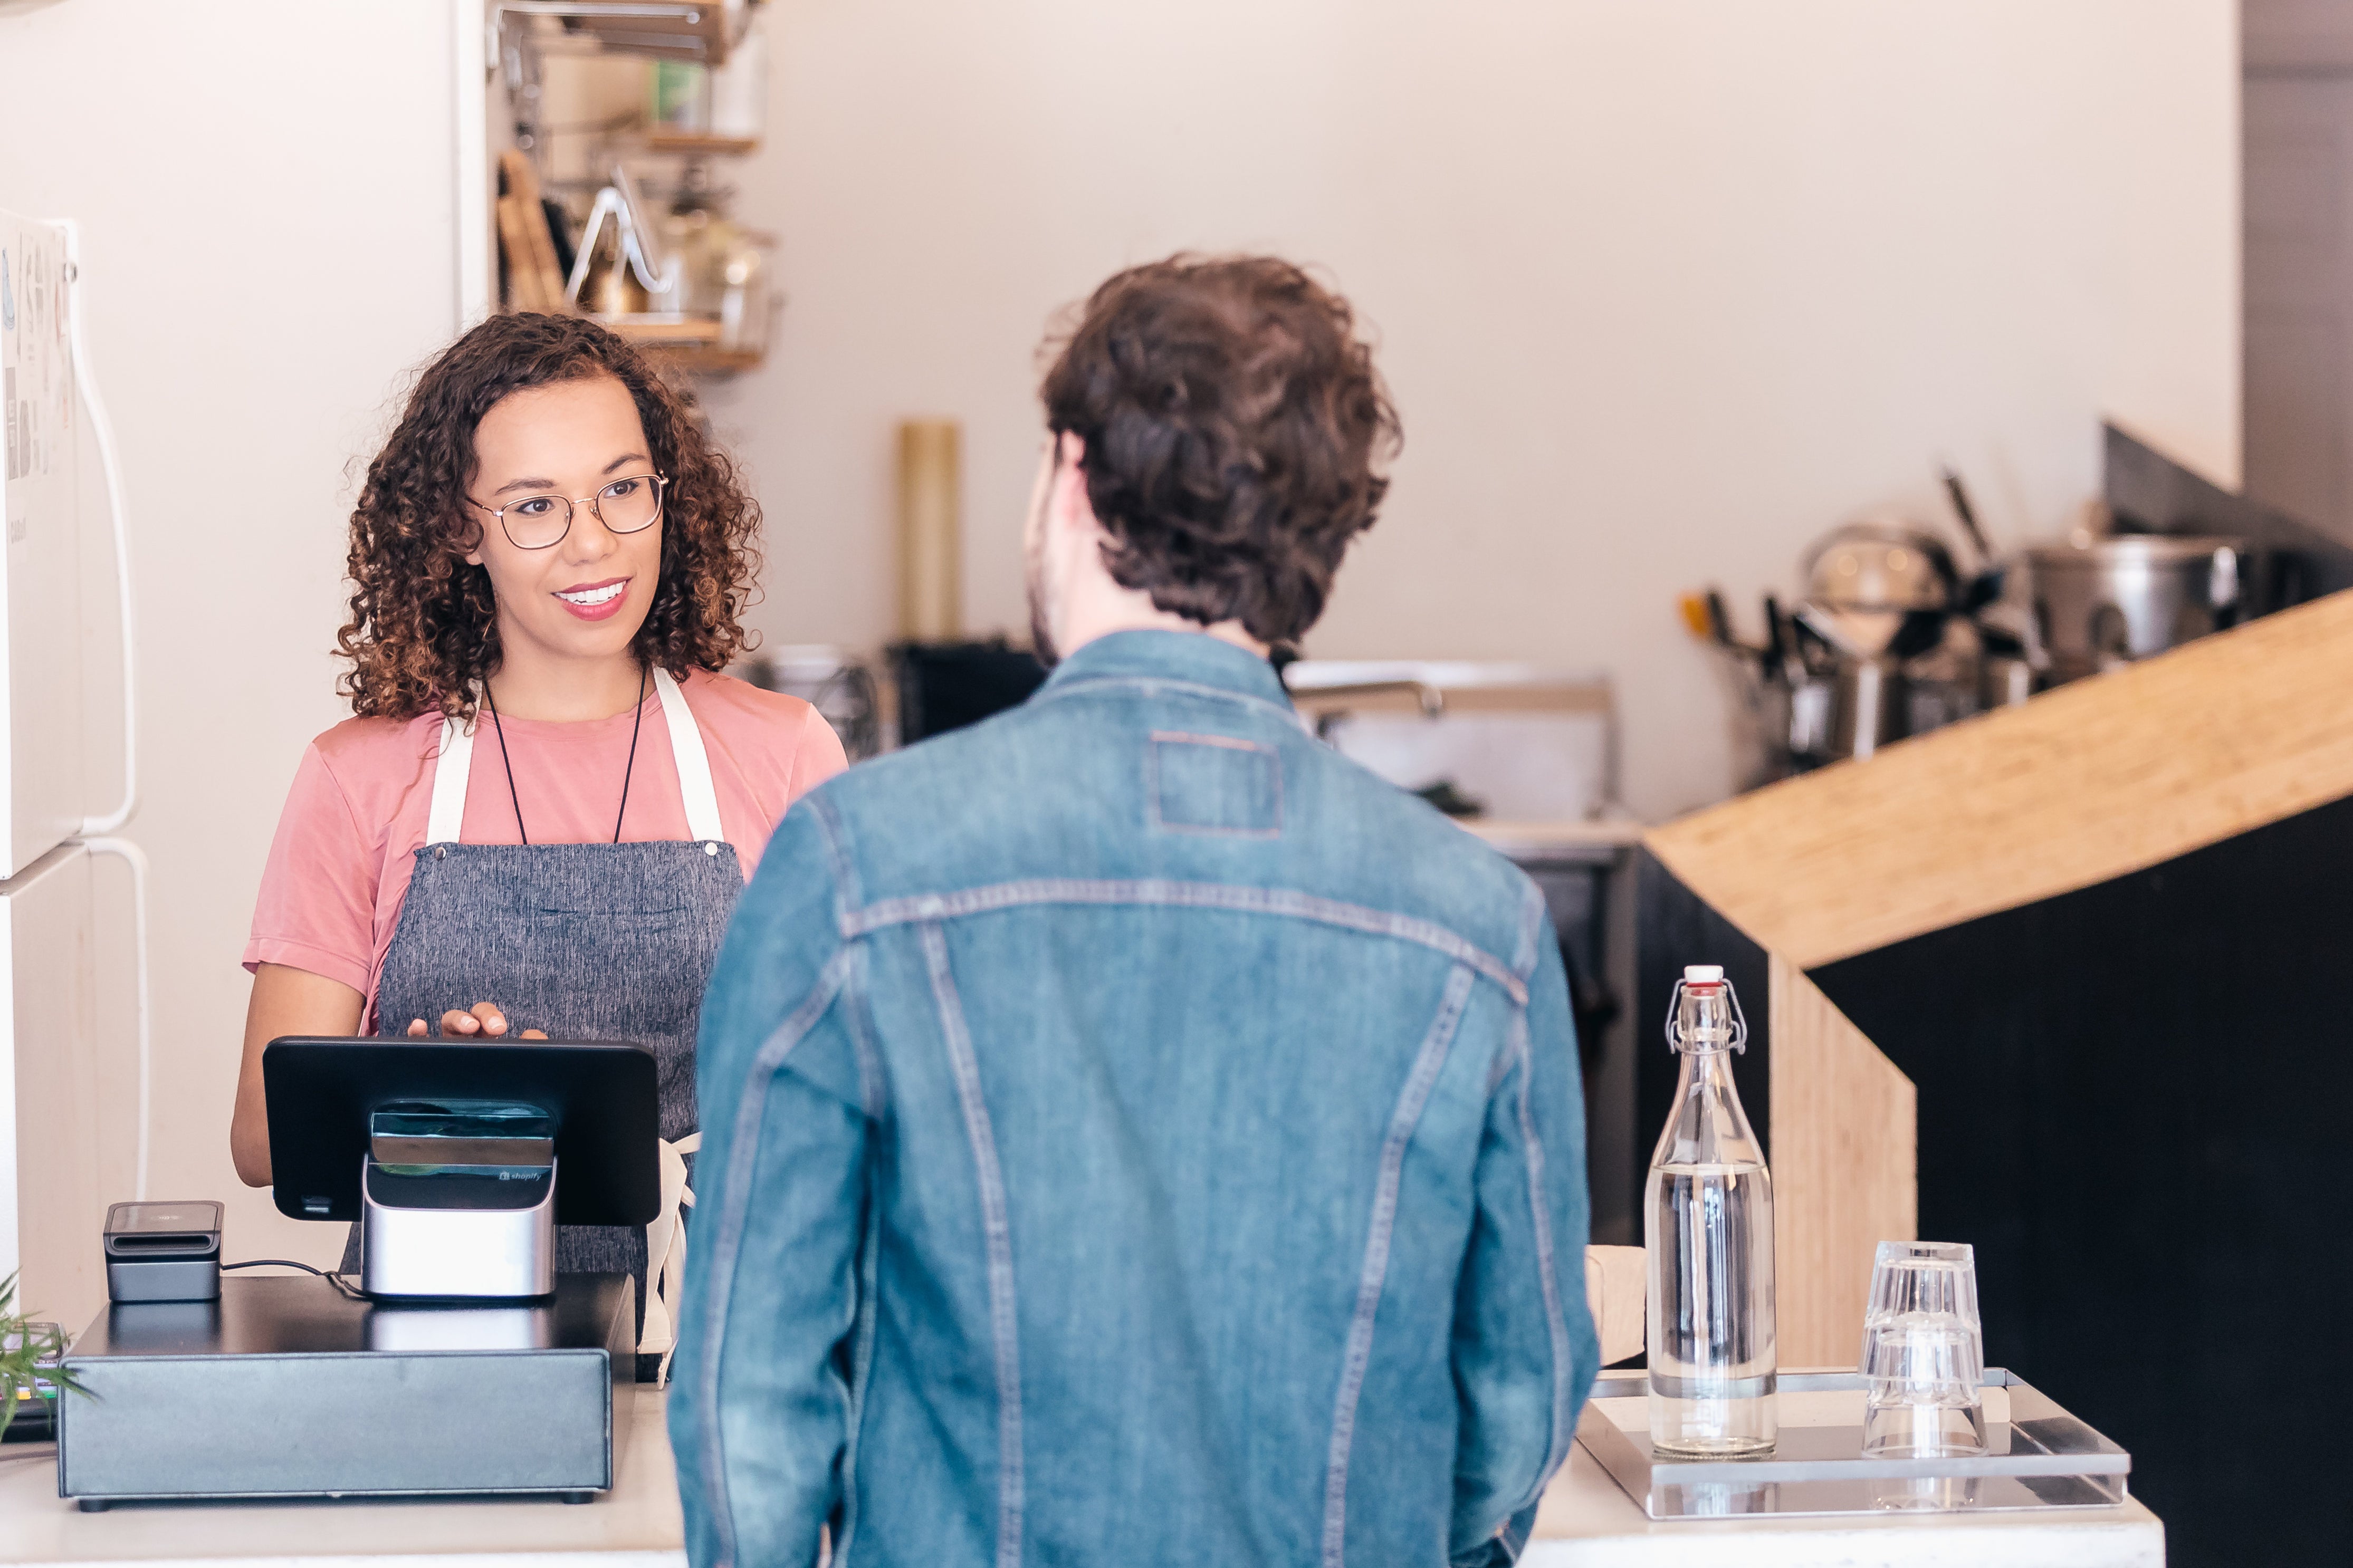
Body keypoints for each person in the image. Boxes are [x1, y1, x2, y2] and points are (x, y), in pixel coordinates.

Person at [672, 256, 1598, 1566]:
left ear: (1069, 477)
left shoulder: (853, 864)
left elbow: (748, 1405)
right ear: (1322, 542)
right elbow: (1516, 1402)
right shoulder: (1478, 926)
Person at [231, 313, 846, 1366]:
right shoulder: (363, 773)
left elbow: (855, 1088)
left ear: (667, 491)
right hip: (432, 1345)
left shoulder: (781, 751)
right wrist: (418, 1089)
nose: (594, 541)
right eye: (533, 507)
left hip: (724, 1335)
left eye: (621, 487)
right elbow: (261, 1140)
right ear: (459, 531)